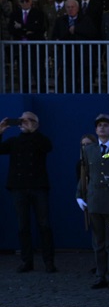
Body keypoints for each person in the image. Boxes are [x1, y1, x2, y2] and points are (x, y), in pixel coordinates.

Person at [0, 112, 55, 273]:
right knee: (22, 226)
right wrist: (0, 131)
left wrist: (33, 131)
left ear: (36, 124)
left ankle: (49, 261)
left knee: (44, 225)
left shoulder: (40, 139)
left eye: (29, 120)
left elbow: (47, 147)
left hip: (38, 187)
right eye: (22, 120)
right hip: (18, 187)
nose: (24, 122)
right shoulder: (14, 141)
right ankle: (26, 261)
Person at [77, 114, 109, 289]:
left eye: (106, 126)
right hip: (95, 201)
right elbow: (84, 174)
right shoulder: (89, 150)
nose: (102, 128)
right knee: (98, 242)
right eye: (99, 126)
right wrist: (79, 195)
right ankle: (100, 276)